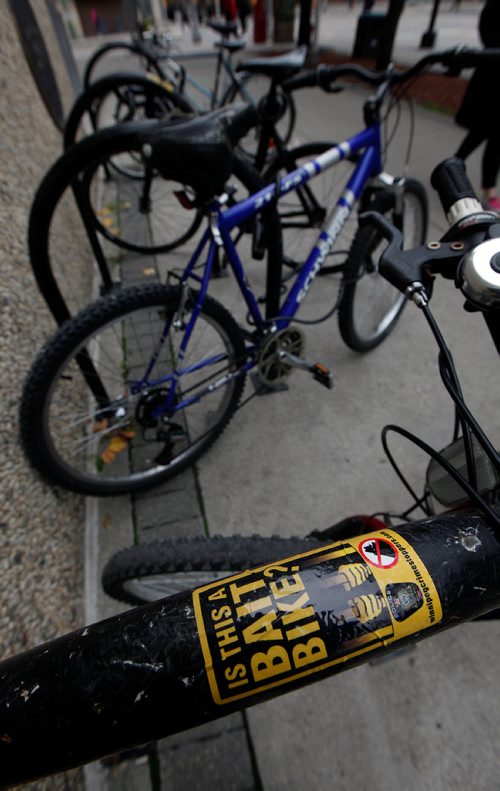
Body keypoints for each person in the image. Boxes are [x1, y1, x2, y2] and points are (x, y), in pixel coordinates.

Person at [455, 0, 500, 210]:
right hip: (492, 76)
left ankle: (488, 188)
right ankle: (454, 166)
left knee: (495, 137)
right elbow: (487, 31)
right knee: (481, 131)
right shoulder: (494, 7)